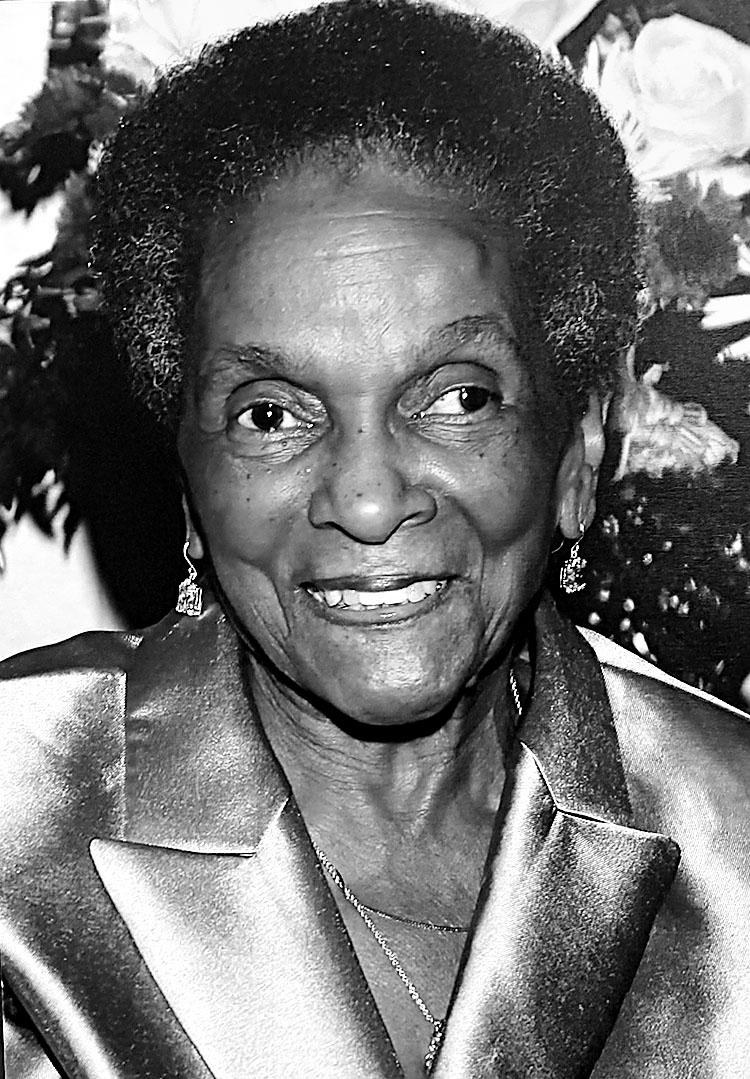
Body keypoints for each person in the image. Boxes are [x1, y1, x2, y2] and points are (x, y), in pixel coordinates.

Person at [1, 2, 748, 1076]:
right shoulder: (17, 819)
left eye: (459, 397)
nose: (365, 498)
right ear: (187, 479)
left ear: (580, 447)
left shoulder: (735, 833)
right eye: (269, 413)